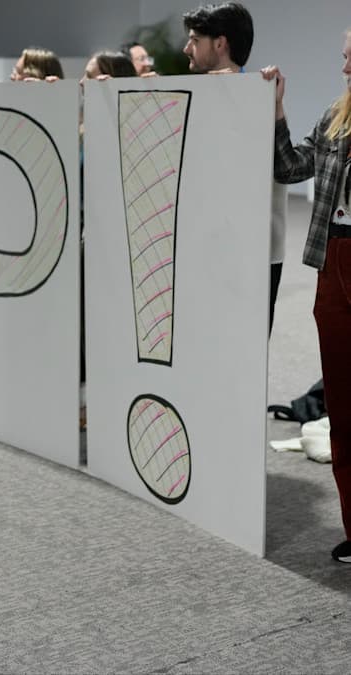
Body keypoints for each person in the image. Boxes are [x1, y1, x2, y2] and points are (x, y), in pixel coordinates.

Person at [263, 28, 351, 563]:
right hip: (333, 261)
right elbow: (290, 168)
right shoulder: (334, 117)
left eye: (349, 53)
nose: (343, 62)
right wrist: (277, 113)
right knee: (342, 405)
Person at [182, 1, 286, 334]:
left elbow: (281, 168)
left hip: (251, 253)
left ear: (220, 43)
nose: (187, 48)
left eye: (195, 39)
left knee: (245, 349)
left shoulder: (262, 96)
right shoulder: (186, 97)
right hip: (202, 248)